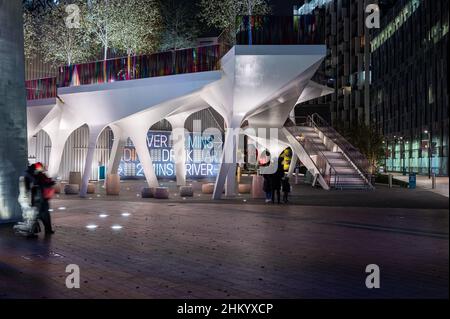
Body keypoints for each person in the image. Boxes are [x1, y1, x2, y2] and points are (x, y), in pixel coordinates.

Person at [28, 163, 56, 235]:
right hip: (41, 198)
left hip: (37, 198)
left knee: (38, 215)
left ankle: (34, 231)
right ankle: (46, 230)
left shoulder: (33, 175)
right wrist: (51, 183)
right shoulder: (39, 175)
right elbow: (44, 184)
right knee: (43, 215)